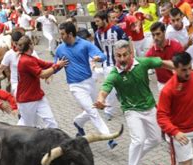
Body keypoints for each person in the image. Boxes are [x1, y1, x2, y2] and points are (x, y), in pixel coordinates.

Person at [95, 40, 174, 165]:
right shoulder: (114, 74)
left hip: (150, 107)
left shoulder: (142, 63)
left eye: (125, 55)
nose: (122, 59)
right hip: (131, 110)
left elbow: (162, 63)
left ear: (131, 54)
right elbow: (105, 89)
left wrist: (181, 68)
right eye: (118, 56)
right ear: (114, 56)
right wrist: (100, 100)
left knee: (156, 139)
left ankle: (135, 159)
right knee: (138, 140)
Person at [55, 21, 117, 149]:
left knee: (92, 109)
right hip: (75, 86)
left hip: (89, 82)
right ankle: (108, 137)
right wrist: (55, 68)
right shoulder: (60, 49)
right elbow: (55, 66)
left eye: (62, 34)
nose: (60, 36)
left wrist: (98, 58)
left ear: (70, 34)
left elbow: (102, 55)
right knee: (93, 111)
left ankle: (78, 123)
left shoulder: (85, 44)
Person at [16, 35, 67, 128]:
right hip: (27, 100)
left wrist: (59, 63)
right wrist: (57, 66)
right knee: (27, 127)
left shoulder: (31, 58)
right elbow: (42, 74)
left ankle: (53, 140)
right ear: (30, 45)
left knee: (51, 122)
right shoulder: (25, 60)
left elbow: (45, 64)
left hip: (38, 96)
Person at [93, 11, 128, 121]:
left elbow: (126, 42)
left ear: (105, 20)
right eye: (95, 22)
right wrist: (97, 58)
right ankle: (109, 111)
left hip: (121, 63)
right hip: (107, 65)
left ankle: (125, 104)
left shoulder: (116, 30)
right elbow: (98, 50)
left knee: (123, 85)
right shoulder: (97, 34)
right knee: (111, 87)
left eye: (98, 21)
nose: (96, 24)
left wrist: (129, 57)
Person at [146, 22, 184, 92]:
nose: (155, 38)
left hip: (178, 82)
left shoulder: (176, 46)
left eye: (158, 34)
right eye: (153, 35)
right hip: (162, 84)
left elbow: (182, 65)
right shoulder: (151, 52)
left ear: (164, 32)